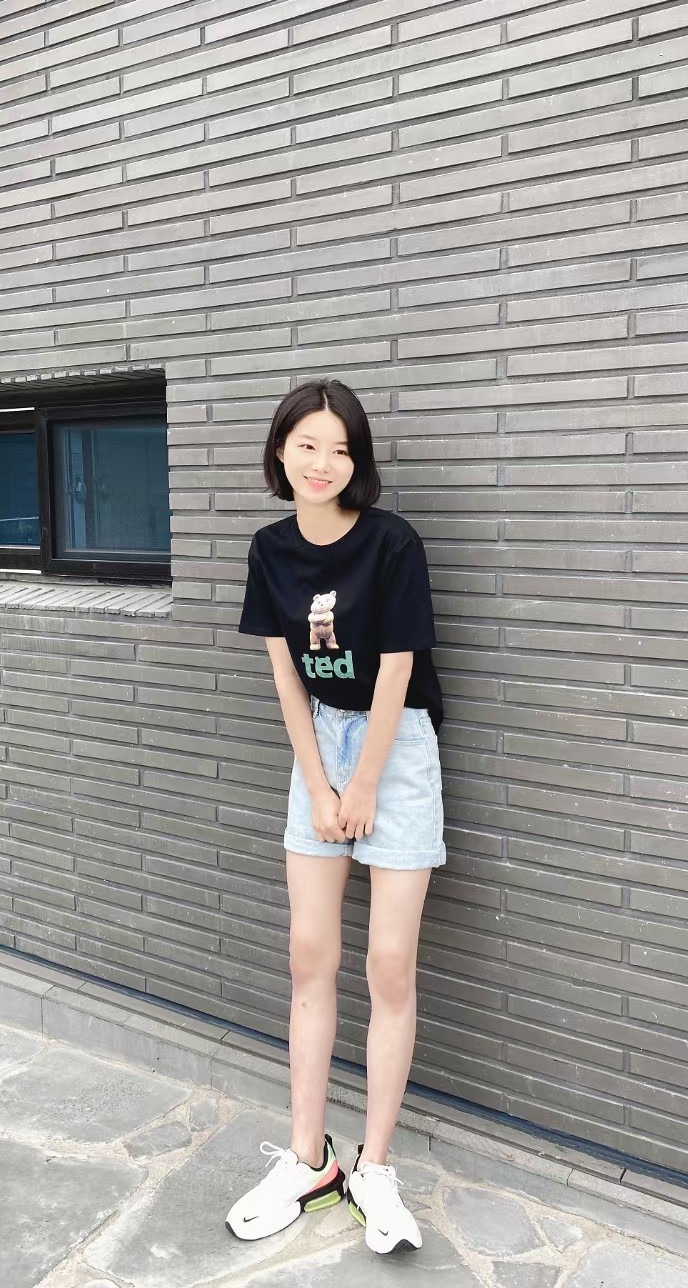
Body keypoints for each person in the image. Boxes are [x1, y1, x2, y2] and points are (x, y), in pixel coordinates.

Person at [225, 378, 446, 1256]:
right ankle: (309, 1160)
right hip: (318, 743)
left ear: (360, 461)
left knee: (389, 965)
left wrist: (364, 785)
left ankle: (373, 1167)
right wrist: (320, 785)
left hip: (399, 747)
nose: (323, 463)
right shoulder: (269, 549)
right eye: (308, 445)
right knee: (309, 957)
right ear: (281, 451)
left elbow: (398, 669)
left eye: (341, 449)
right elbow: (286, 675)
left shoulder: (392, 543)